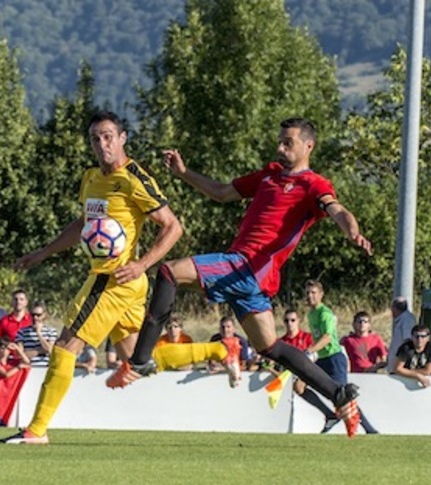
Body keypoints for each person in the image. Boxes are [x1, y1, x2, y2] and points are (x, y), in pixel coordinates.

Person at [107, 118, 372, 437]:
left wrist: (352, 231)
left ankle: (139, 360)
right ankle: (338, 394)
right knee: (270, 347)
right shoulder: (269, 175)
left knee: (169, 271)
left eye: (288, 142)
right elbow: (221, 193)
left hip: (246, 265)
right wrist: (183, 173)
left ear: (308, 146)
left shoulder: (313, 184)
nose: (280, 147)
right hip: (252, 278)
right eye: (280, 141)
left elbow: (336, 209)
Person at [0, 111, 183, 445]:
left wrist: (142, 264)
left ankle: (36, 430)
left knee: (66, 345)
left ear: (123, 138)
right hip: (123, 282)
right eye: (95, 138)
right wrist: (43, 252)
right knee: (140, 359)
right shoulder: (90, 178)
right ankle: (216, 351)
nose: (102, 144)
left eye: (108, 136)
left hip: (113, 279)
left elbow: (173, 226)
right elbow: (82, 224)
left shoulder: (133, 178)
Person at [304, 281, 378, 434]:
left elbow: (327, 338)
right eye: (307, 293)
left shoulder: (325, 313)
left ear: (321, 294)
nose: (310, 296)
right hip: (322, 359)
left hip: (334, 359)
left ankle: (370, 429)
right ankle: (329, 415)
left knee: (344, 398)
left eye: (313, 292)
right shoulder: (311, 314)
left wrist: (310, 351)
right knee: (299, 386)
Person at [277, 308, 341, 434]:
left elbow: (316, 353)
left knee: (301, 386)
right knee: (299, 387)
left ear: (298, 321)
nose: (289, 323)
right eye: (286, 320)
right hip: (293, 374)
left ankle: (337, 415)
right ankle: (330, 414)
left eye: (293, 320)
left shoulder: (307, 337)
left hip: (313, 367)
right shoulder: (282, 341)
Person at [15, 301, 58, 367]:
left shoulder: (51, 331)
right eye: (33, 315)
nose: (35, 318)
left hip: (45, 368)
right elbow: (20, 355)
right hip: (28, 368)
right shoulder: (22, 332)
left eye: (38, 315)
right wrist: (40, 351)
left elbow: (50, 350)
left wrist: (39, 333)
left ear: (44, 315)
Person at [387, 296, 416, 373]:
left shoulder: (407, 319)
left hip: (401, 363)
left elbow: (408, 340)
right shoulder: (403, 318)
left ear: (394, 308)